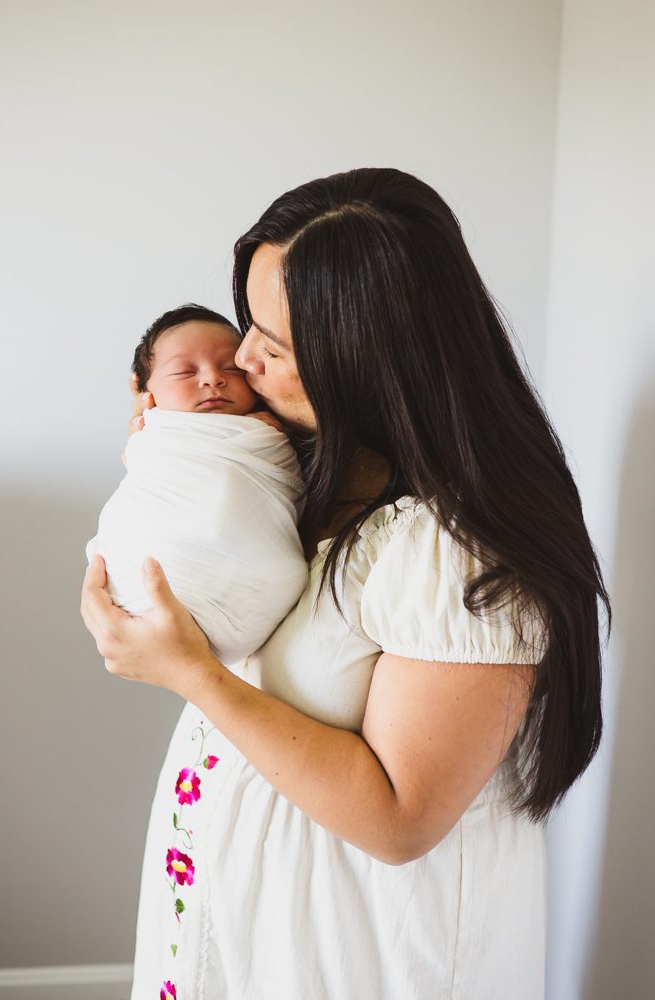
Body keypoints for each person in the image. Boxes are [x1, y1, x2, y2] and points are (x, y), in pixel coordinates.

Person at [81, 168, 609, 1000]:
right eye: (249, 324)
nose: (242, 359)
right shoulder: (308, 463)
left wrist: (189, 674)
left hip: (363, 951)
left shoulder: (460, 553)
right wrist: (178, 463)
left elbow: (400, 819)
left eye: (273, 344)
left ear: (365, 361)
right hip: (251, 924)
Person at [86, 304, 308, 665]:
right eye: (185, 372)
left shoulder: (272, 435)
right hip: (147, 592)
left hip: (252, 596)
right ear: (146, 393)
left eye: (231, 368)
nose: (213, 379)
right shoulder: (157, 433)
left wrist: (268, 435)